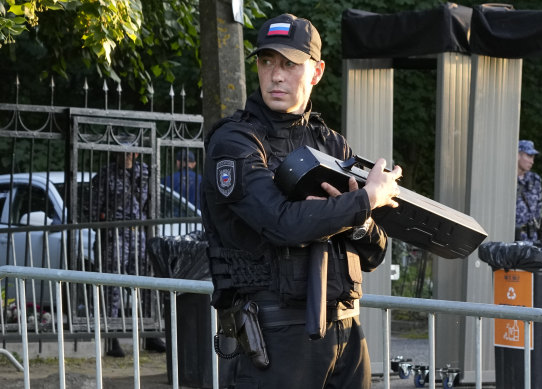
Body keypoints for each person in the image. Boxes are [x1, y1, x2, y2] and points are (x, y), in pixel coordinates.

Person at [201, 14, 402, 389]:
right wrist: (366, 199)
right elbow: (282, 224)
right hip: (273, 334)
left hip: (345, 330)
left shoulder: (332, 145)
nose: (276, 75)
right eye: (267, 62)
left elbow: (374, 254)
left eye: (290, 64)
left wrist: (359, 218)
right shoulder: (236, 142)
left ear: (316, 71)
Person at [90, 151, 165, 356]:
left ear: (137, 153)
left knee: (146, 284)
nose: (126, 156)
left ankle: (150, 334)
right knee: (112, 284)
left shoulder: (145, 173)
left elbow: (151, 205)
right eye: (122, 152)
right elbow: (94, 208)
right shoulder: (106, 175)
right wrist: (104, 223)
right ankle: (111, 338)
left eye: (130, 152)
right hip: (115, 234)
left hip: (139, 234)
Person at [515, 140, 542, 241]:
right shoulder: (507, 179)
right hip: (510, 236)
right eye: (529, 156)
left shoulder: (535, 180)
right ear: (518, 155)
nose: (532, 161)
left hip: (530, 238)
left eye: (533, 158)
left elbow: (539, 209)